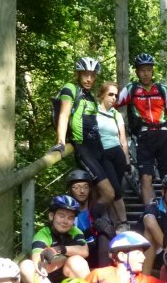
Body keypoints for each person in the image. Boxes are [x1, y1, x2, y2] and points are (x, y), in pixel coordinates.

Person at [51, 57, 119, 210]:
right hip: (84, 149)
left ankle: (92, 224)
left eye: (92, 75)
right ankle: (90, 220)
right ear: (78, 74)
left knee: (96, 193)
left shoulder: (89, 96)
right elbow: (64, 114)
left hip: (97, 148)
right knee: (109, 194)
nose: (89, 79)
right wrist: (61, 141)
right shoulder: (71, 88)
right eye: (85, 75)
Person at [116, 53, 167, 204]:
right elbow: (113, 102)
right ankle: (149, 213)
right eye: (142, 70)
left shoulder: (163, 89)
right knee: (146, 176)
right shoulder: (131, 89)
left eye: (149, 70)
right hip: (144, 136)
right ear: (137, 72)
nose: (146, 73)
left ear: (152, 71)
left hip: (164, 135)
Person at [20, 195, 90, 283]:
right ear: (51, 216)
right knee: (26, 265)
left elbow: (84, 251)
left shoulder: (76, 232)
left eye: (70, 218)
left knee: (77, 261)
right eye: (61, 215)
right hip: (47, 280)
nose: (65, 221)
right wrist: (61, 258)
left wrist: (58, 249)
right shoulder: (43, 234)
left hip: (69, 277)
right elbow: (37, 260)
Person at [94, 81, 130, 226]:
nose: (114, 98)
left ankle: (112, 222)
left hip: (118, 155)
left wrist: (127, 160)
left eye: (116, 95)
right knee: (114, 190)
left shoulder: (117, 115)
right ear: (102, 95)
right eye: (110, 94)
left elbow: (123, 139)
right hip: (103, 154)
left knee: (116, 190)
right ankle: (124, 222)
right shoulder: (93, 112)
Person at [65, 169, 117, 268]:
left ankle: (104, 272)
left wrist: (102, 224)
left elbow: (109, 230)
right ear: (70, 190)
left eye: (86, 187)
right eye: (76, 187)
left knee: (104, 231)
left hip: (98, 249)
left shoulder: (98, 207)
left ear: (90, 189)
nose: (82, 191)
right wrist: (91, 229)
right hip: (77, 249)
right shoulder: (66, 211)